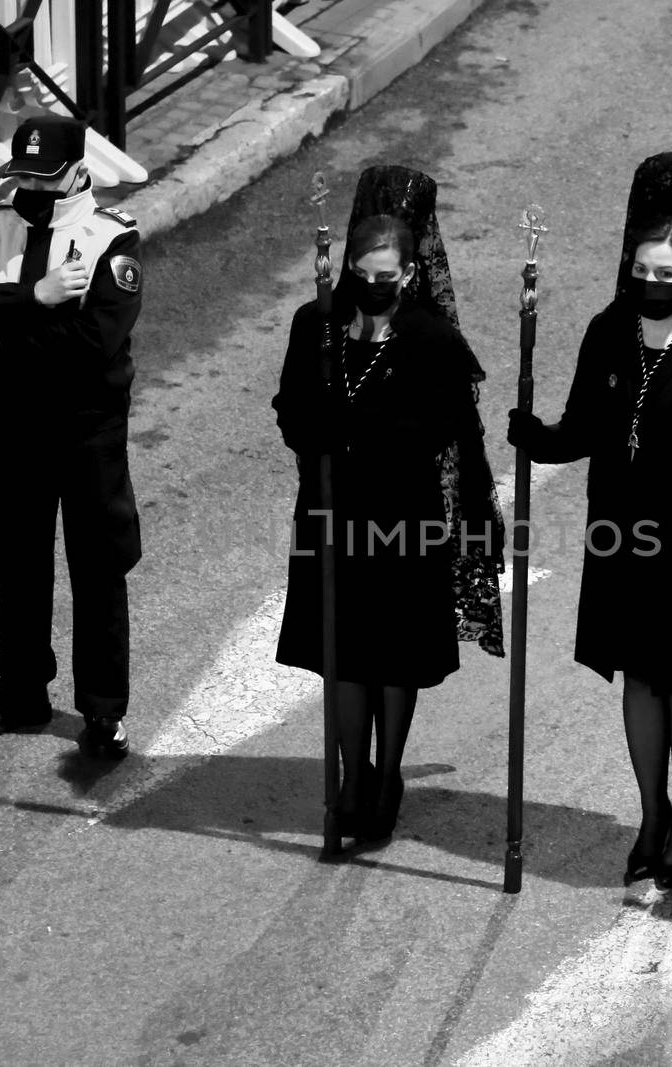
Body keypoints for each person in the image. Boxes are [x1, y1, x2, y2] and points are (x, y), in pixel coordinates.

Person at [507, 151, 672, 890]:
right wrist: (537, 438)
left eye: (666, 275)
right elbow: (585, 427)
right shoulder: (609, 331)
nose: (650, 284)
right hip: (623, 543)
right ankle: (651, 815)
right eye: (641, 270)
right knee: (639, 680)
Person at [273, 164, 505, 848]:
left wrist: (356, 428)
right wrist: (315, 427)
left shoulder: (431, 339)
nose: (373, 283)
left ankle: (389, 772)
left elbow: (445, 426)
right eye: (361, 270)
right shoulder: (315, 325)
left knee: (392, 658)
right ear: (346, 264)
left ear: (408, 273)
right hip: (331, 510)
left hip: (404, 514)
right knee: (345, 656)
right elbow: (291, 409)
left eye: (387, 274)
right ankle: (351, 776)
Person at [0, 115, 142, 761]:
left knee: (98, 570)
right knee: (18, 565)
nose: (33, 185)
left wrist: (3, 330)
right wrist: (39, 296)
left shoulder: (113, 240)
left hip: (87, 432)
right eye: (24, 173)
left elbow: (92, 345)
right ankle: (20, 691)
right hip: (17, 427)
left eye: (45, 175)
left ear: (80, 170)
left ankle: (104, 712)